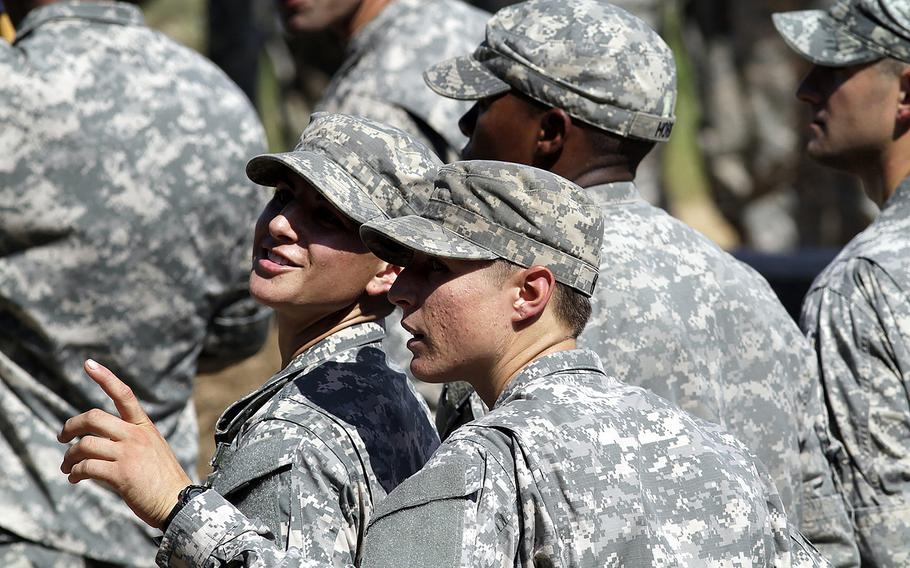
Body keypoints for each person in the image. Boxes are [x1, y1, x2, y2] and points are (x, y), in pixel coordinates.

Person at [60, 160, 830, 567]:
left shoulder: (491, 468)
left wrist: (178, 507)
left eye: (434, 269)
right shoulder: (709, 448)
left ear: (528, 293)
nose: (403, 293)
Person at [423, 1, 858, 564]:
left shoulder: (515, 296)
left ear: (550, 132)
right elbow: (825, 537)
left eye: (484, 105)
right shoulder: (749, 287)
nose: (465, 126)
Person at [59, 112, 442, 567]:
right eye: (283, 197)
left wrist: (175, 505)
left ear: (389, 269)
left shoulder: (297, 438)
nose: (280, 225)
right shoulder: (388, 390)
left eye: (326, 217)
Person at [0, 0, 271, 565]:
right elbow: (242, 325)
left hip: (18, 516)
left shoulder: (12, 92)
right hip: (156, 516)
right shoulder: (221, 103)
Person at [772, 1, 910, 565]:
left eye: (834, 68)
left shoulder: (862, 286)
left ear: (906, 90)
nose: (807, 89)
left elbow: (886, 536)